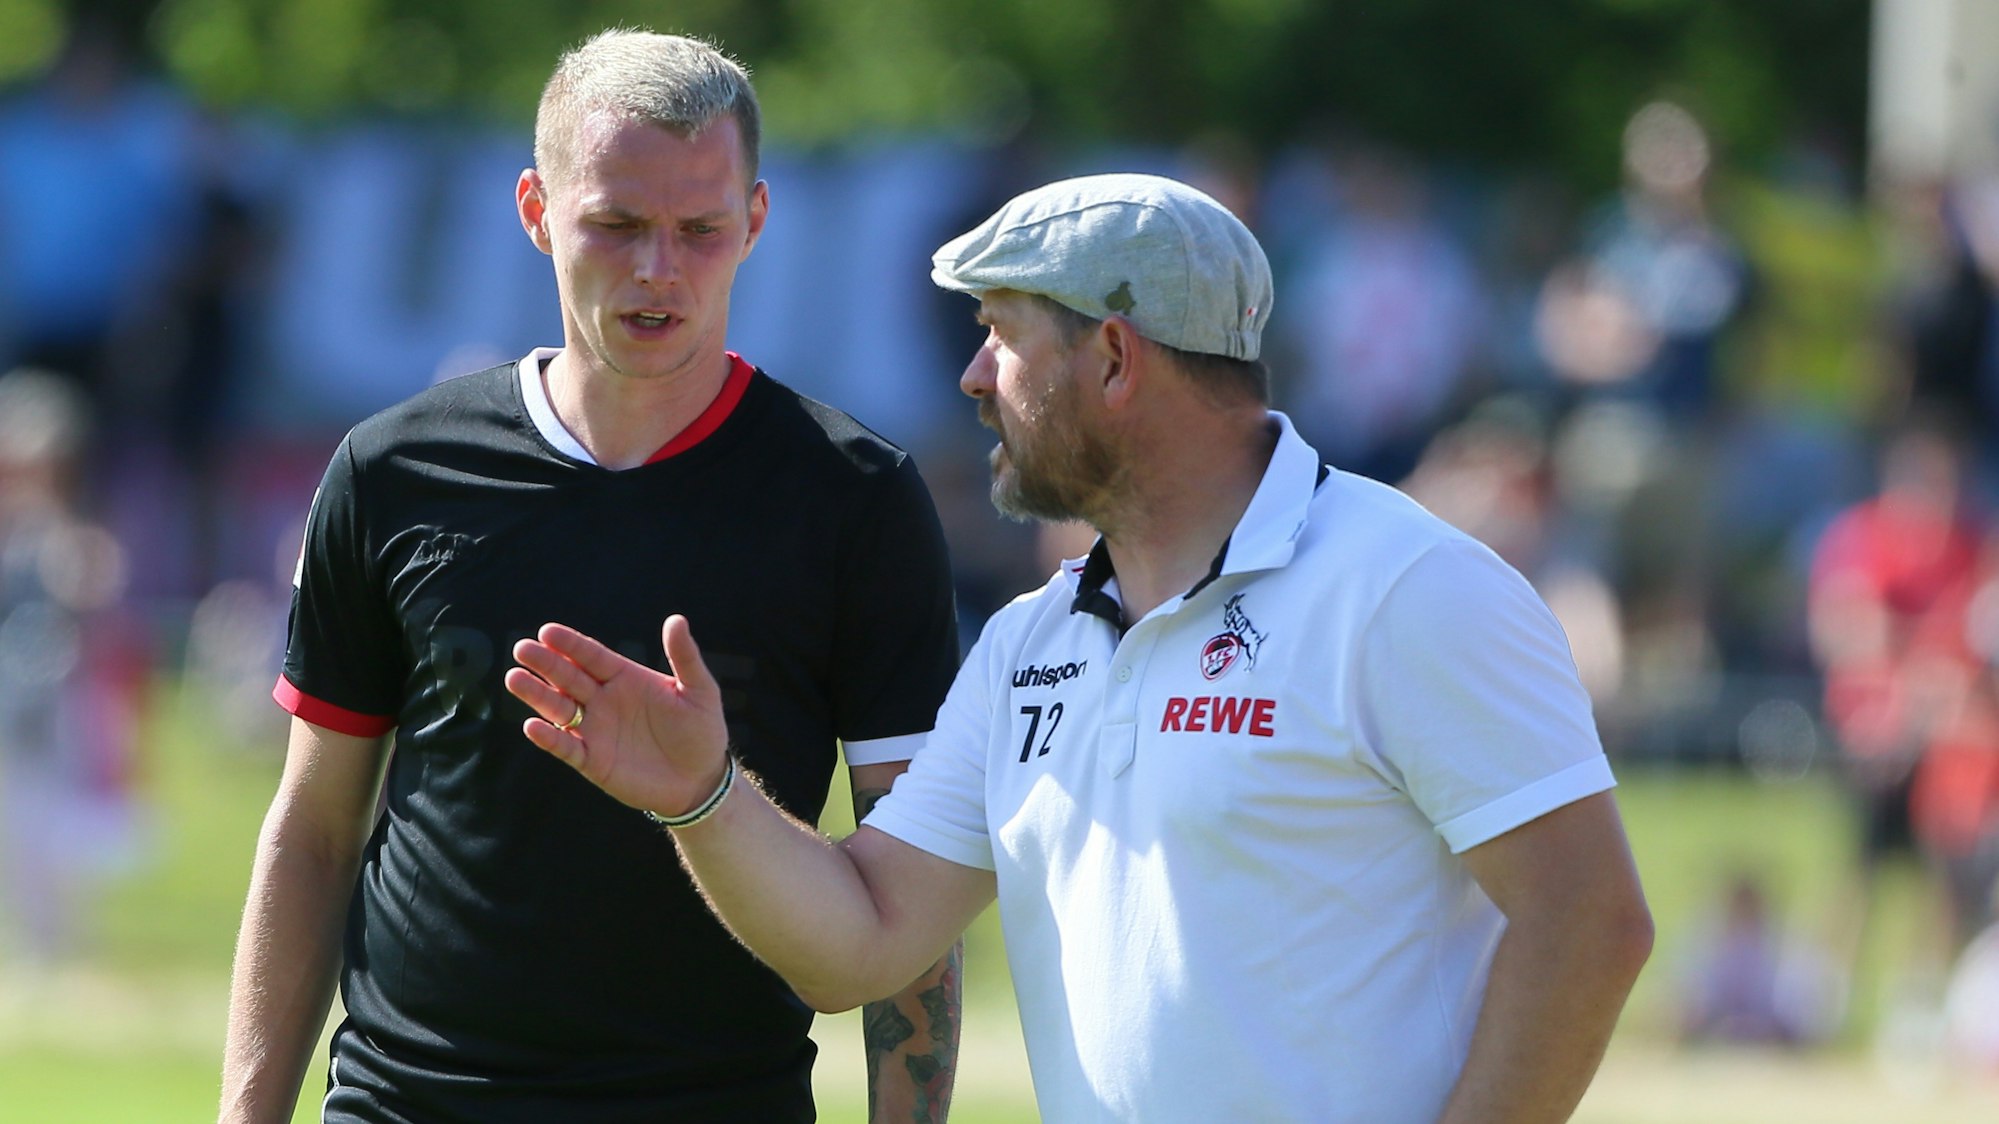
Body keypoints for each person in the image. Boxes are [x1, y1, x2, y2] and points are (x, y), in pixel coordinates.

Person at [507, 173, 1654, 1122]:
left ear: (1112, 356)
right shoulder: (1027, 641)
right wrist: (705, 798)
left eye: (999, 335)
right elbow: (858, 944)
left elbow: (1589, 921)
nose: (970, 377)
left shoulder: (1407, 586)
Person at [219, 30, 962, 1124]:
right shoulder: (393, 469)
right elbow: (314, 826)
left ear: (755, 222)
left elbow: (909, 889)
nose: (657, 268)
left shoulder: (853, 495)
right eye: (615, 224)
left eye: (699, 230)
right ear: (535, 210)